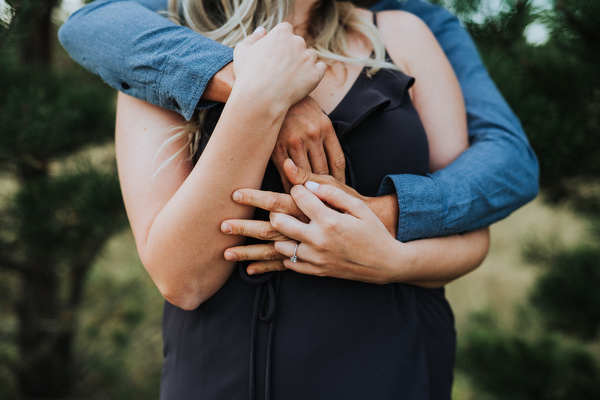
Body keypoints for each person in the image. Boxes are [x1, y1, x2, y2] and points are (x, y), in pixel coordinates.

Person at [98, 0, 494, 398]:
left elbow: (472, 238)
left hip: (397, 368)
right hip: (231, 377)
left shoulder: (402, 35)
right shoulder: (159, 45)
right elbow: (183, 280)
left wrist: (390, 261)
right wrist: (264, 101)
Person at [58, 0, 539, 245]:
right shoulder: (190, 13)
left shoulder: (415, 21)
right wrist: (269, 94)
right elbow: (90, 24)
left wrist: (386, 215)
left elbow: (510, 161)